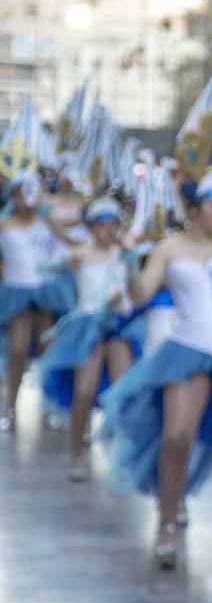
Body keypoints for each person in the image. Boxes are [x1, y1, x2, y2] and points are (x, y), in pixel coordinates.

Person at [100, 168, 212, 568]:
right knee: (175, 437)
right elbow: (141, 293)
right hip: (188, 346)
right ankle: (167, 520)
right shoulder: (169, 248)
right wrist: (129, 258)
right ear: (192, 208)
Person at [37, 197, 139, 480]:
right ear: (91, 228)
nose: (107, 231)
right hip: (88, 327)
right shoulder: (80, 253)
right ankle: (76, 452)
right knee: (84, 390)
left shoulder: (125, 253)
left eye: (112, 225)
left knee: (124, 389)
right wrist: (60, 260)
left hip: (119, 325)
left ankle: (121, 452)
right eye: (101, 225)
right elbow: (46, 267)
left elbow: (137, 285)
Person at [0, 172, 76, 429]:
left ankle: (48, 407)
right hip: (16, 291)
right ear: (12, 197)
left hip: (45, 290)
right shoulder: (5, 224)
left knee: (47, 351)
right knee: (18, 350)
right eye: (20, 195)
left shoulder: (47, 221)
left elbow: (72, 239)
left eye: (29, 194)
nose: (26, 200)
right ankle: (10, 407)